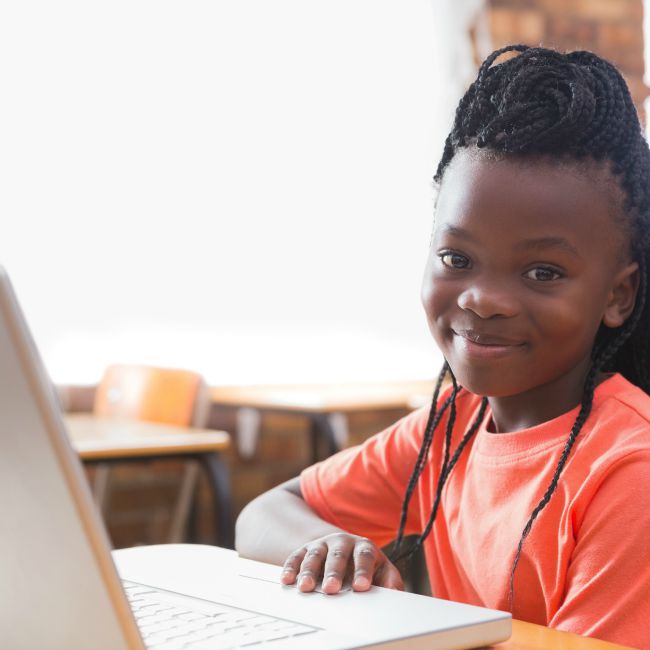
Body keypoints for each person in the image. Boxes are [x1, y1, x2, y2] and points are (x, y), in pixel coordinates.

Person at [235, 45, 650, 648]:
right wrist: (325, 547)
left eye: (542, 272)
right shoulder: (449, 429)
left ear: (618, 294)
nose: (483, 299)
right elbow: (263, 513)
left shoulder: (629, 473)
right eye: (457, 259)